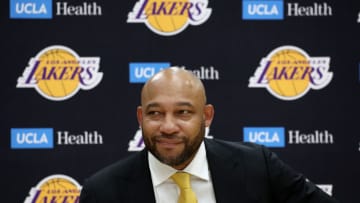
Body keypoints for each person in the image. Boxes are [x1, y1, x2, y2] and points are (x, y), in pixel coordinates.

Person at [79, 67, 339, 203]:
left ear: (207, 116)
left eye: (183, 112)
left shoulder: (258, 167)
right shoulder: (103, 193)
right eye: (155, 114)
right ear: (140, 118)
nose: (168, 127)